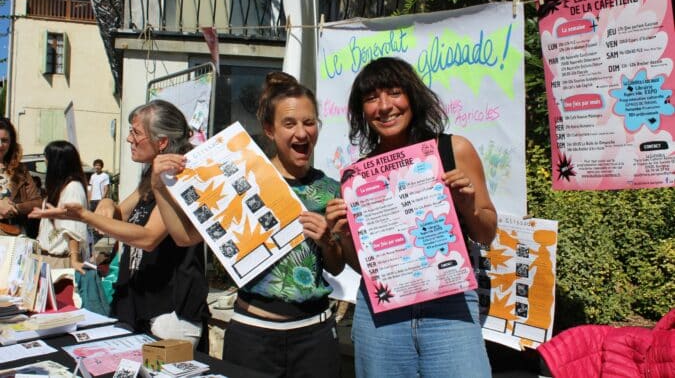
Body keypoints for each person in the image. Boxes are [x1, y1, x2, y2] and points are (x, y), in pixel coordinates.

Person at [151, 72, 345, 377]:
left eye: (309, 122)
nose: (301, 133)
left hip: (315, 335)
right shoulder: (239, 179)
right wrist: (160, 188)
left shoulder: (330, 189)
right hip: (252, 335)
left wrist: (327, 240)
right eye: (289, 123)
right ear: (269, 129)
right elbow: (184, 237)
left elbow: (335, 266)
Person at [326, 57, 497, 378]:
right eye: (371, 98)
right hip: (383, 312)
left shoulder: (453, 150)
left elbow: (486, 234)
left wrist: (467, 204)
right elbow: (363, 267)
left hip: (449, 307)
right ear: (361, 111)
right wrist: (344, 235)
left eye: (394, 93)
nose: (384, 106)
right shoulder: (356, 178)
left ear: (413, 97)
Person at [30, 100, 209, 348]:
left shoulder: (179, 175)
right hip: (141, 303)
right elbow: (120, 214)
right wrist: (106, 202)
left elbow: (148, 237)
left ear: (162, 142)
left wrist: (85, 215)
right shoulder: (151, 174)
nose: (128, 139)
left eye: (136, 132)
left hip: (168, 313)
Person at [34, 141, 89, 272]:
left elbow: (74, 228)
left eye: (47, 158)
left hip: (61, 260)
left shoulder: (73, 188)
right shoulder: (60, 187)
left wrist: (74, 260)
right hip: (47, 258)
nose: (45, 162)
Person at [0, 117, 42, 236]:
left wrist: (16, 208)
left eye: (4, 140)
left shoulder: (20, 169)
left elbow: (37, 202)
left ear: (11, 142)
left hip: (13, 236)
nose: (0, 145)